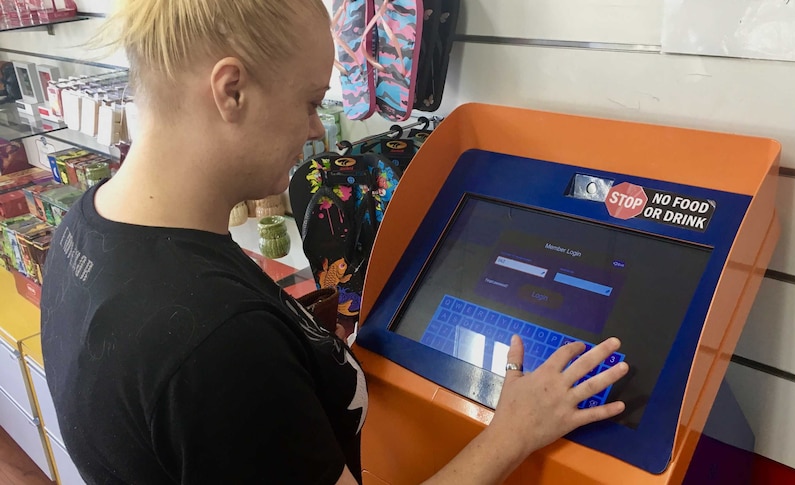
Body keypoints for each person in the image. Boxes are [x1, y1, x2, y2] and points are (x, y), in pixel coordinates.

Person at [39, 0, 630, 483]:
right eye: (310, 100)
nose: (316, 128)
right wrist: (514, 431)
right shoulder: (218, 343)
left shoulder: (86, 229)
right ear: (231, 91)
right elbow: (224, 373)